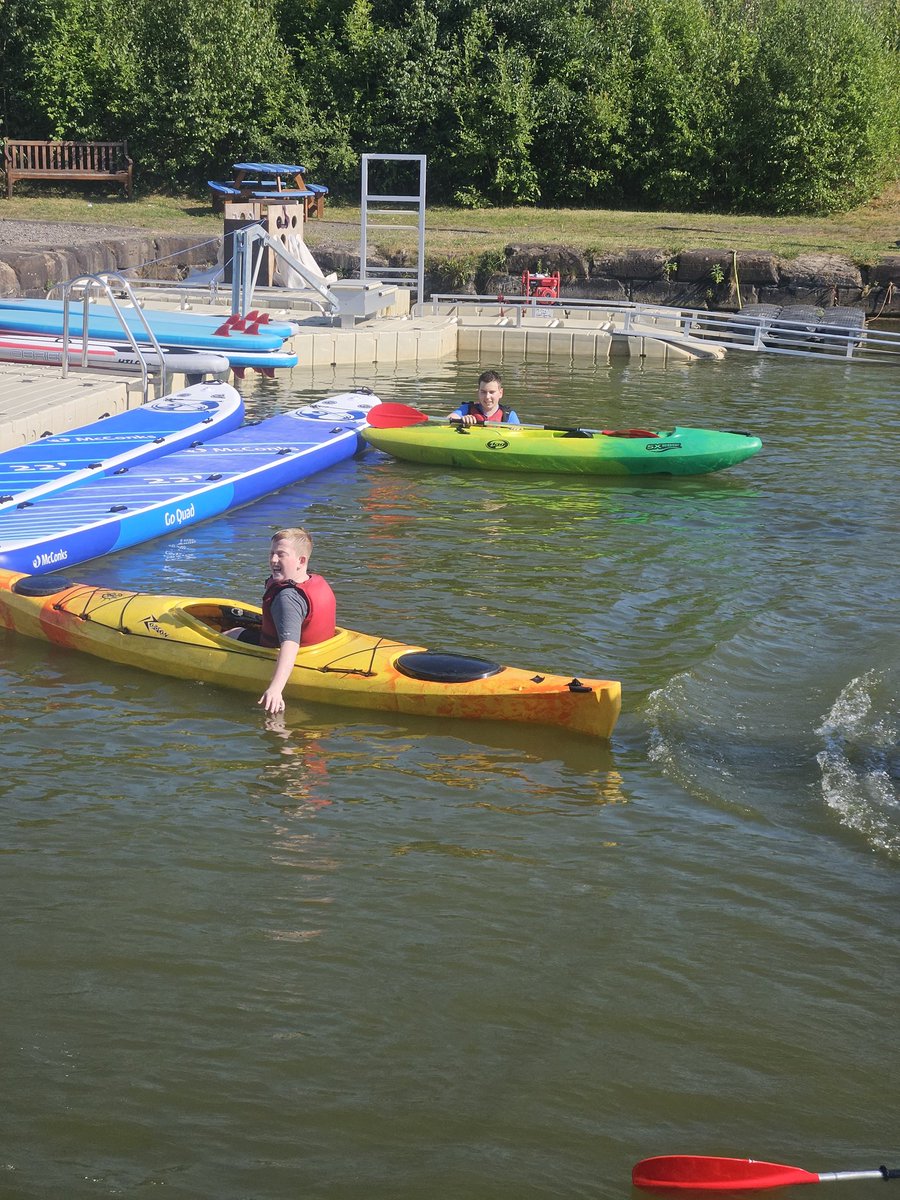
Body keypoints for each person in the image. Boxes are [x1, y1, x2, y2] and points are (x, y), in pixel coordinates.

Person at [225, 527, 336, 714]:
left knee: (231, 634)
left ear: (301, 561)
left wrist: (276, 689)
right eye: (272, 553)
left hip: (293, 656)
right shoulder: (315, 581)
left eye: (281, 555)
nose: (273, 560)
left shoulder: (287, 598)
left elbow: (290, 645)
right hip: (325, 649)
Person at [448, 370, 520, 427]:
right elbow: (444, 422)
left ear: (500, 393)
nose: (487, 397)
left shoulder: (509, 415)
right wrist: (461, 421)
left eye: (491, 392)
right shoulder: (466, 409)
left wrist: (515, 430)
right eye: (483, 392)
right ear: (478, 392)